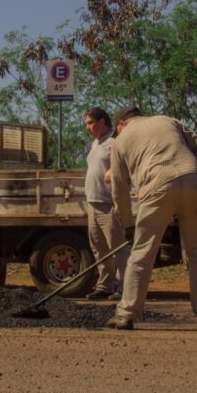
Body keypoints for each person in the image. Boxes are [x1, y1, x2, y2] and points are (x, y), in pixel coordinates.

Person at [107, 106, 197, 331]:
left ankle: (126, 314)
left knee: (142, 254)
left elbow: (118, 188)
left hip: (156, 185)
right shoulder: (168, 120)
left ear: (121, 124)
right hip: (194, 179)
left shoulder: (120, 141)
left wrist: (127, 224)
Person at [84, 106, 128, 301]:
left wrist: (114, 171)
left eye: (90, 123)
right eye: (86, 123)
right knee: (99, 248)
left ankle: (124, 288)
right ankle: (105, 286)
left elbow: (126, 166)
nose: (87, 127)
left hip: (108, 204)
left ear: (102, 122)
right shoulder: (95, 144)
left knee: (117, 247)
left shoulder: (115, 142)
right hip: (92, 203)